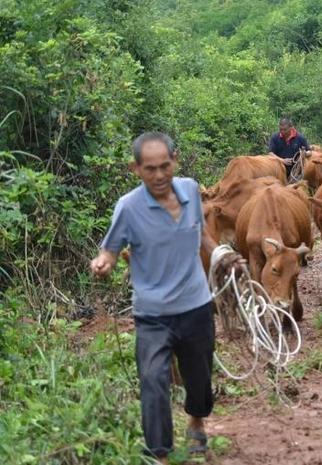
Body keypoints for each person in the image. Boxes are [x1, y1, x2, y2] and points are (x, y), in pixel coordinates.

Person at [89, 132, 218, 465]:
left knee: (199, 376)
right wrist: (104, 261)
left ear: (175, 160)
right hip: (153, 313)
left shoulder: (190, 188)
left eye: (165, 166)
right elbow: (111, 248)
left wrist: (222, 254)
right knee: (153, 381)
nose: (159, 175)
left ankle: (196, 421)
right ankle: (160, 454)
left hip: (196, 305)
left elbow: (202, 234)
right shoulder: (129, 207)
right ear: (136, 169)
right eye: (150, 169)